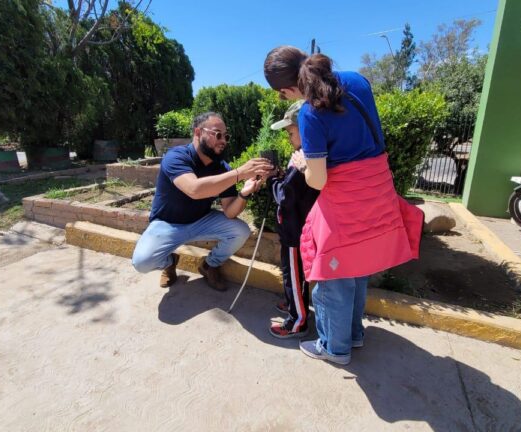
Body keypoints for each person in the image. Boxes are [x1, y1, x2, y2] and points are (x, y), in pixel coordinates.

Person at [264, 46, 423, 365]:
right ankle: (354, 334)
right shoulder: (357, 81)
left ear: (285, 89)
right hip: (378, 191)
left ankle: (335, 347)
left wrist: (303, 162)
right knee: (357, 268)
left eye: (283, 96)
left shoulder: (309, 114)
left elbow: (318, 181)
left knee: (331, 278)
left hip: (345, 203)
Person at [131, 112, 273, 291]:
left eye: (226, 136)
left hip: (201, 221)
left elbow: (230, 211)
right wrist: (240, 173)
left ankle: (209, 265)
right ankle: (170, 261)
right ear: (198, 132)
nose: (223, 140)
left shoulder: (222, 168)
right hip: (168, 224)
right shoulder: (176, 157)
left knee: (240, 230)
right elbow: (194, 189)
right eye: (218, 134)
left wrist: (244, 193)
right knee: (141, 262)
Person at [267, 100, 319, 338]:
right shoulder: (305, 157)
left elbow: (284, 196)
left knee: (294, 276)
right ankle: (293, 304)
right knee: (295, 275)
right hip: (294, 228)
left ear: (306, 128)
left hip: (294, 230)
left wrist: (272, 181)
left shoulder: (303, 161)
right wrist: (282, 175)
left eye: (291, 131)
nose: (288, 136)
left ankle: (297, 321)